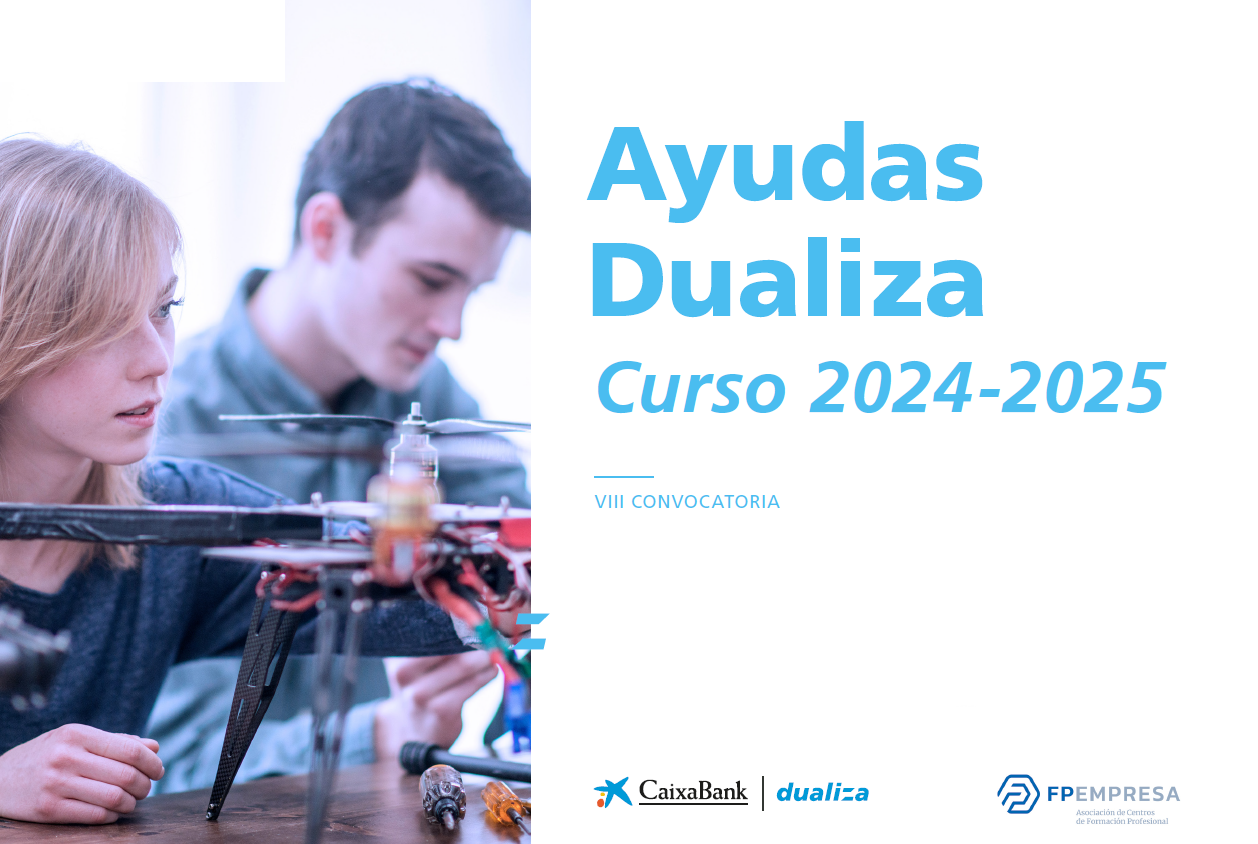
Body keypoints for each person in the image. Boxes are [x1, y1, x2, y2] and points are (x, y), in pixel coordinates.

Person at [0, 138, 471, 825]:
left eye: (163, 308)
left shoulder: (179, 513)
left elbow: (396, 587)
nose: (157, 359)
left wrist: (509, 585)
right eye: (105, 324)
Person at [146, 79, 532, 791]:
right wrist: (386, 731)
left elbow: (536, 564)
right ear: (325, 229)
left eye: (471, 291)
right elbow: (162, 762)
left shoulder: (429, 400)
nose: (452, 325)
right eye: (431, 280)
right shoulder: (154, 431)